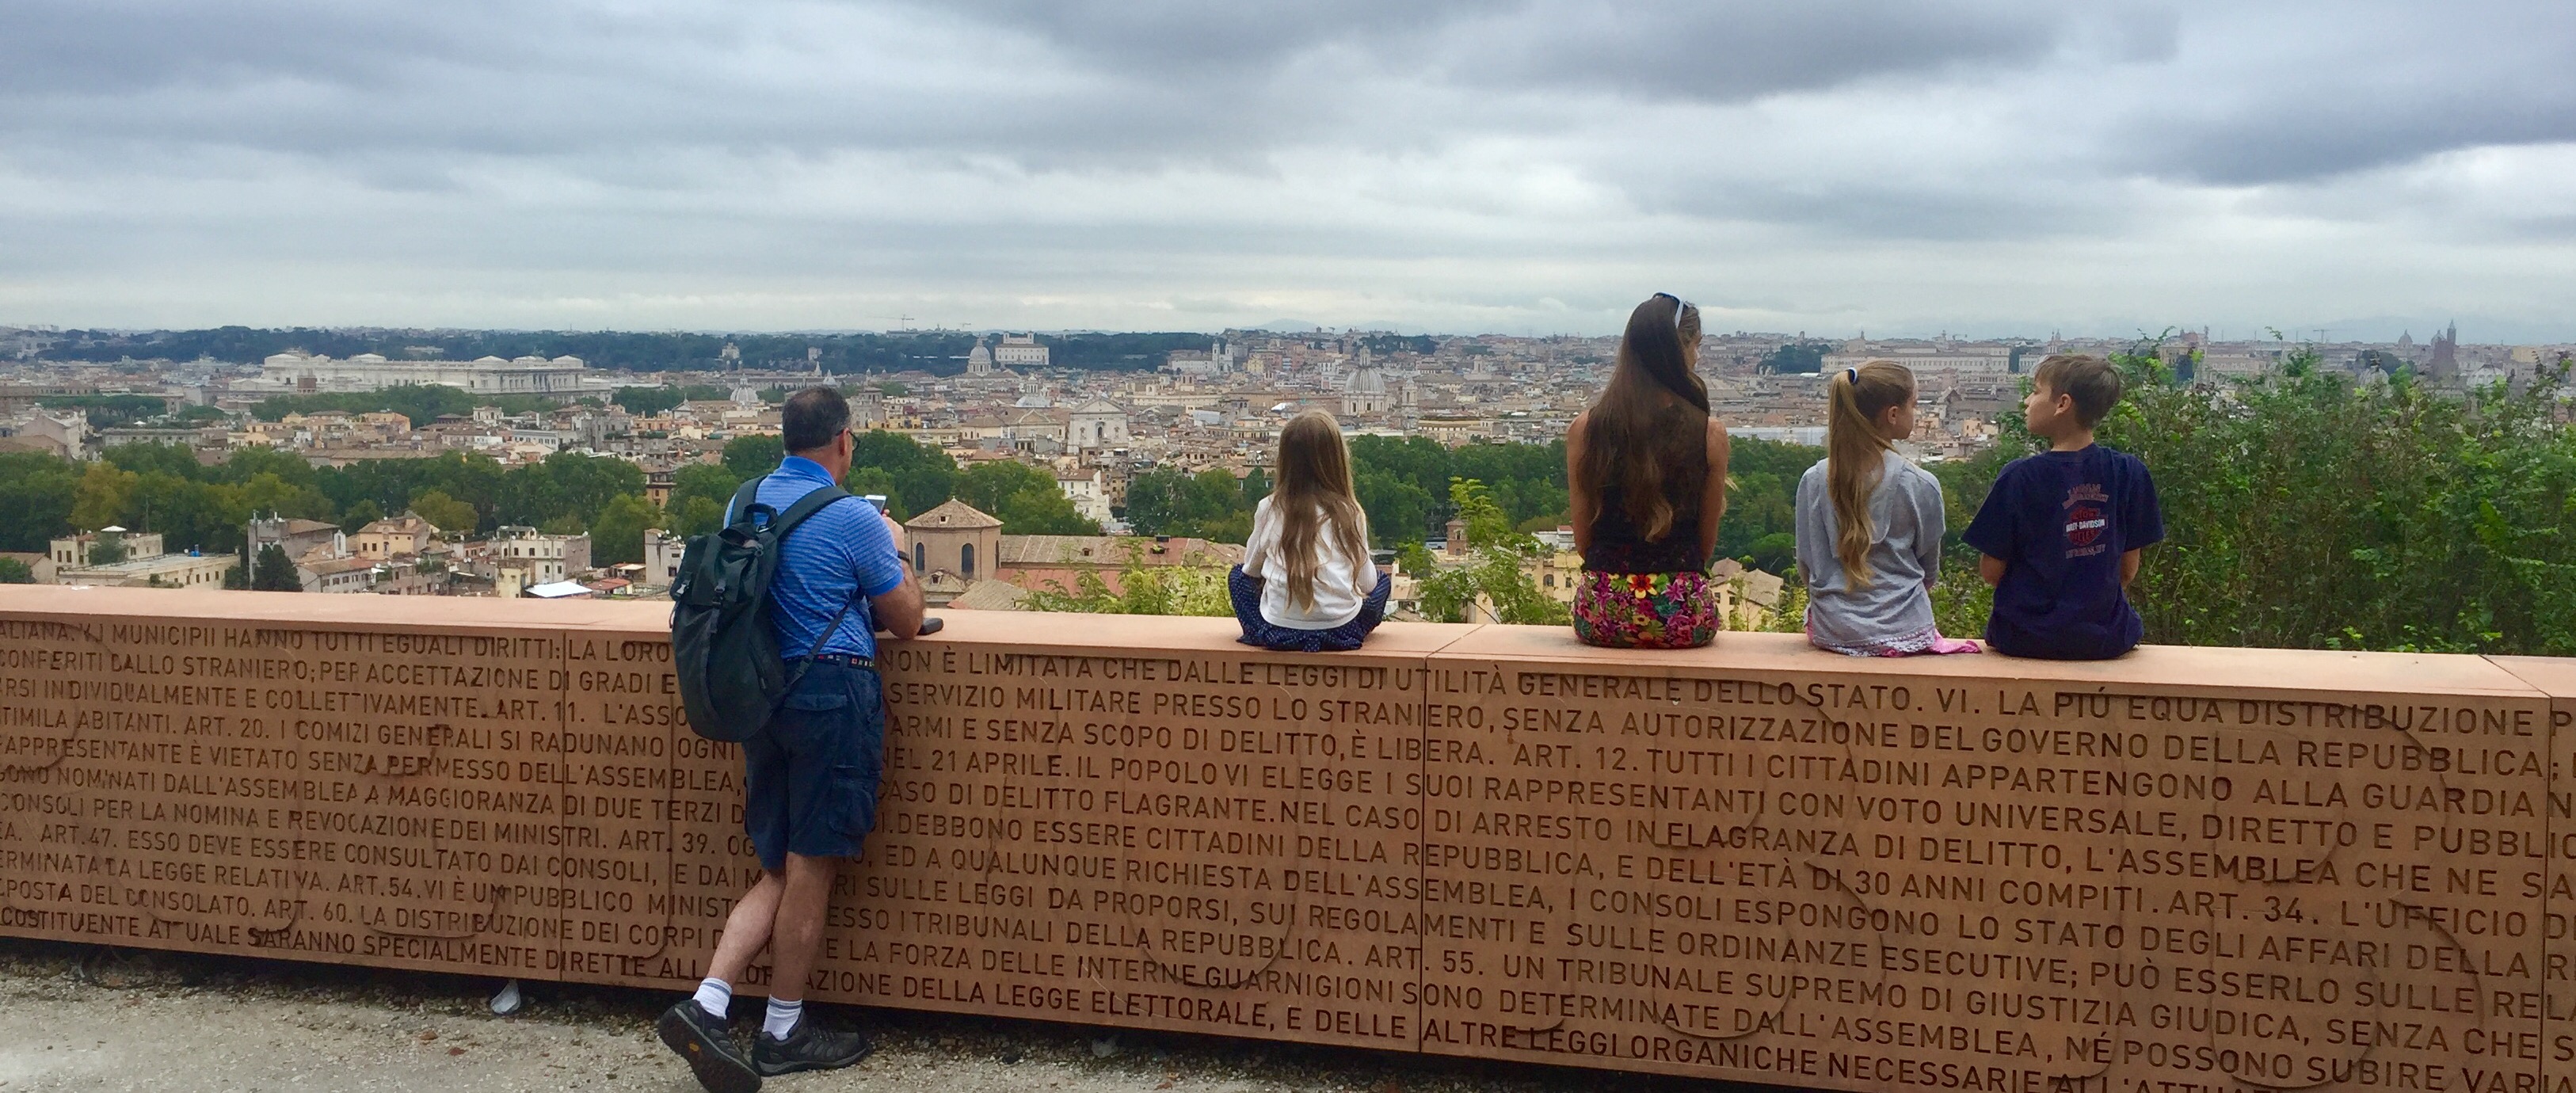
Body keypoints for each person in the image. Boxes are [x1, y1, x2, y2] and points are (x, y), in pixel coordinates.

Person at [658, 387, 924, 1093]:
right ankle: (782, 1029)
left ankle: (709, 1001)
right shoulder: (852, 518)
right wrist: (899, 551)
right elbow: (904, 619)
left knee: (777, 865)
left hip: (761, 696)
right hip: (832, 696)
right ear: (843, 442)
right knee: (811, 865)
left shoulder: (742, 502)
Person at [1963, 354, 2163, 659]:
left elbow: (1991, 571)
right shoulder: (2129, 472)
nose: (2027, 402)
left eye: (2035, 391)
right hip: (2105, 638)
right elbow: (2127, 570)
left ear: (2062, 404)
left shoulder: (2019, 477)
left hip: (2023, 636)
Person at [1566, 293, 1729, 648]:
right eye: (1695, 346)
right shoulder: (1709, 434)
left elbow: (1583, 541)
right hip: (1682, 615)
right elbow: (1704, 546)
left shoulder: (1585, 429)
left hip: (1602, 612)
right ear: (1677, 350)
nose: (1697, 357)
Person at [1794, 360, 1978, 657]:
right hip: (1906, 628)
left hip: (1832, 630)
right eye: (1914, 406)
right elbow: (1929, 571)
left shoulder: (1812, 480)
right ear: (1893, 415)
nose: (1917, 414)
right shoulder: (1921, 484)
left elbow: (1806, 563)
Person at [1231, 410, 1390, 651]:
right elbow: (1367, 584)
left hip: (1277, 632)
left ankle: (1259, 631)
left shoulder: (1269, 508)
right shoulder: (1350, 512)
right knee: (1383, 581)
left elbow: (1250, 569)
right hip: (1341, 631)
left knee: (1236, 577)